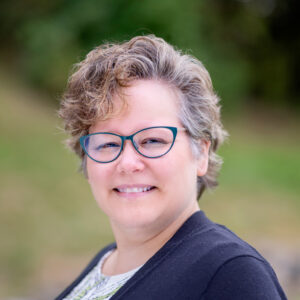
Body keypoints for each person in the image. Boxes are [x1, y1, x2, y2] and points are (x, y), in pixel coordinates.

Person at [55, 35, 286, 299]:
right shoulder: (104, 264)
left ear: (201, 153)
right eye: (107, 144)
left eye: (153, 140)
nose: (128, 164)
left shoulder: (230, 275)